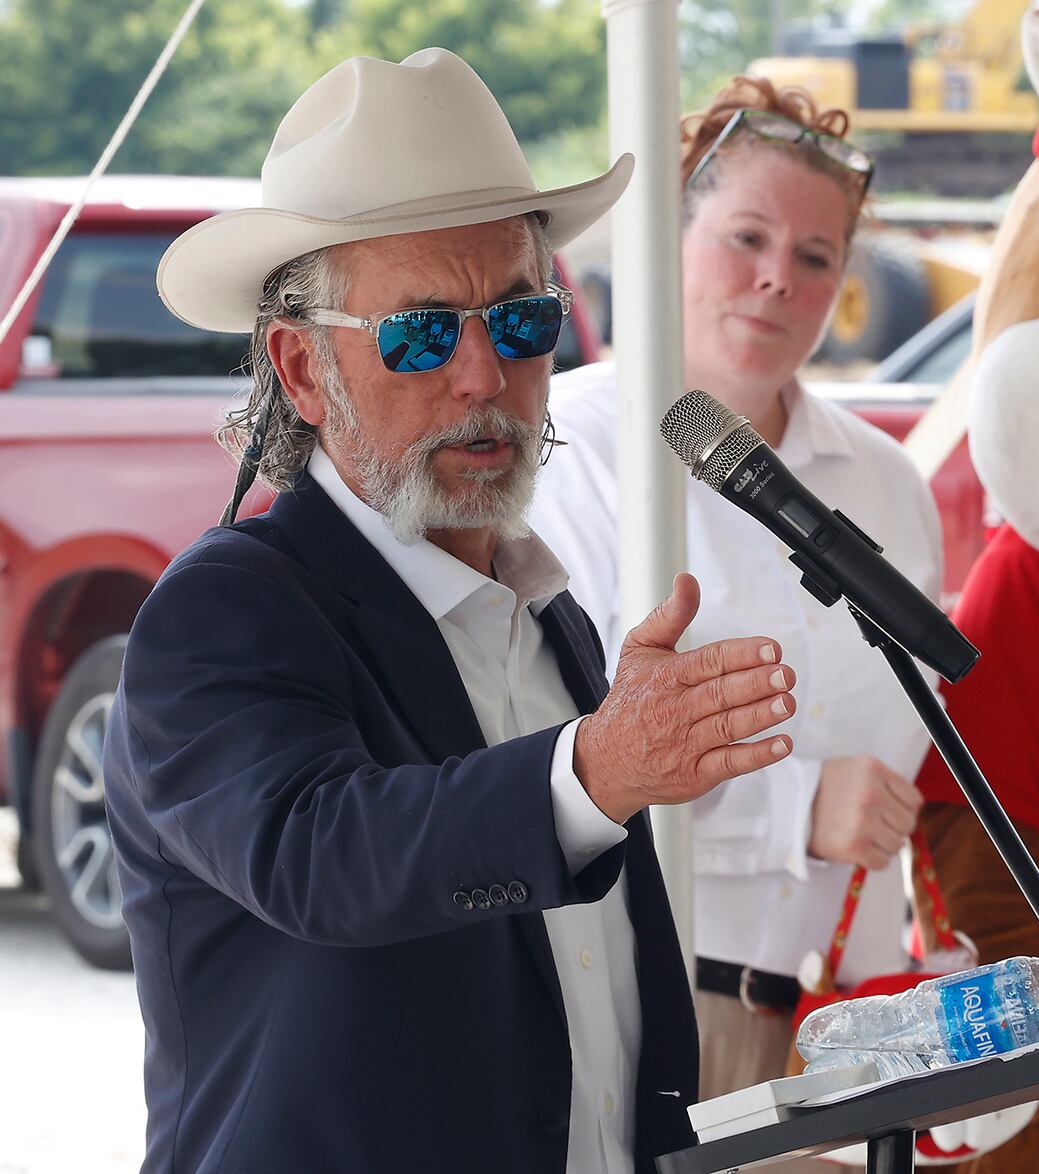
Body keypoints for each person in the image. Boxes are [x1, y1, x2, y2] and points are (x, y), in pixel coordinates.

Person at [103, 49, 801, 1174]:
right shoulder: (226, 608)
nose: (484, 375)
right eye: (422, 333)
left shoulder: (547, 615)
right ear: (299, 368)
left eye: (521, 323)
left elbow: (586, 1005)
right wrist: (593, 771)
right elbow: (321, 856)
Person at [529, 76, 943, 1126]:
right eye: (745, 238)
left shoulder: (888, 483)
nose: (775, 281)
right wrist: (794, 808)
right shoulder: (569, 454)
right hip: (644, 1013)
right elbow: (547, 762)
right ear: (667, 236)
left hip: (849, 1028)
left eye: (815, 257)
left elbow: (911, 759)